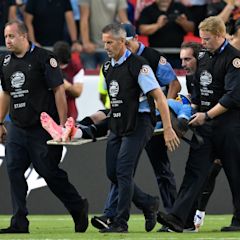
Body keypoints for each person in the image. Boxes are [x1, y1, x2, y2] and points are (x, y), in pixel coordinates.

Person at [0, 20, 88, 234]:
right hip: (18, 128)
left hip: (42, 129)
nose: (8, 41)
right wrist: (0, 121)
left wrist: (62, 125)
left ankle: (77, 206)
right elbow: (6, 93)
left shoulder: (44, 58)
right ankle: (19, 222)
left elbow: (59, 91)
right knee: (13, 169)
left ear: (23, 35)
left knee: (48, 171)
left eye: (11, 36)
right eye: (5, 37)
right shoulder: (5, 62)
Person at [91, 23, 181, 232]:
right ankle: (148, 203)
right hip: (119, 122)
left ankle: (120, 222)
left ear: (123, 42)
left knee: (123, 171)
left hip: (140, 122)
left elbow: (159, 96)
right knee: (113, 172)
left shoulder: (140, 65)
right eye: (104, 42)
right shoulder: (107, 67)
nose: (105, 47)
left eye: (110, 42)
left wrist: (167, 128)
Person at [157, 16, 240, 232]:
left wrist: (207, 115)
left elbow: (232, 97)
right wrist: (190, 110)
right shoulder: (202, 56)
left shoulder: (234, 60)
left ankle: (239, 220)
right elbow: (196, 88)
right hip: (205, 126)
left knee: (236, 174)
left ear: (221, 36)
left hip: (230, 127)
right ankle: (179, 218)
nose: (202, 43)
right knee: (194, 171)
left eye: (207, 39)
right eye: (201, 38)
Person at [137, 0, 195, 68]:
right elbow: (142, 30)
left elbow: (192, 28)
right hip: (156, 54)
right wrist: (158, 25)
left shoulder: (180, 7)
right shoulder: (148, 10)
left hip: (178, 55)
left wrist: (183, 22)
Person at [78, 0, 129, 69]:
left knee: (110, 77)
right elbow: (84, 17)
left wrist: (129, 39)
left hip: (110, 46)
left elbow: (123, 20)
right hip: (90, 48)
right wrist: (86, 42)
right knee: (89, 76)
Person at [53, 41, 84, 120]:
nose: (61, 67)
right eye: (59, 63)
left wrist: (67, 86)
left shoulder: (76, 67)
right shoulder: (47, 65)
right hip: (50, 111)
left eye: (63, 64)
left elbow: (78, 92)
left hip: (69, 113)